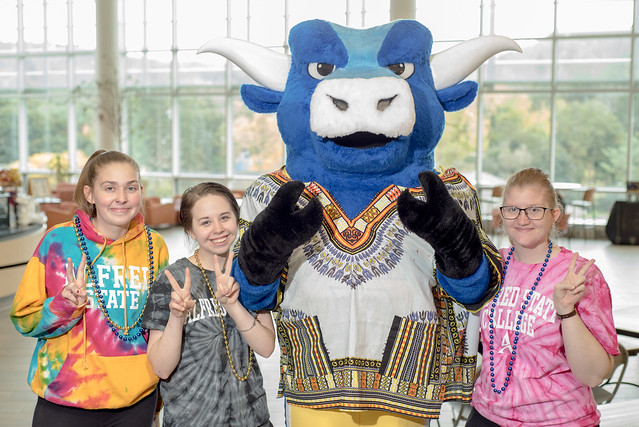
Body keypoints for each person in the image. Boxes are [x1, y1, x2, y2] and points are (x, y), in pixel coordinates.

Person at [10, 150, 169, 426]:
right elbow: (24, 319)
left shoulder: (155, 246)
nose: (121, 197)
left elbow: (159, 327)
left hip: (137, 401)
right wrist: (63, 306)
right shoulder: (58, 242)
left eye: (131, 188)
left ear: (140, 192)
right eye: (110, 188)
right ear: (90, 194)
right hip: (66, 400)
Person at [467, 168, 619, 426]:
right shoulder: (491, 265)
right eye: (512, 209)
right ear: (501, 215)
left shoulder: (581, 274)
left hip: (557, 419)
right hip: (486, 415)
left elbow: (594, 375)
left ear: (554, 216)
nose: (522, 220)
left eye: (534, 210)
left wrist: (567, 312)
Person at [142, 182, 275, 427]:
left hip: (252, 418)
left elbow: (266, 347)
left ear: (236, 218)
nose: (218, 229)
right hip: (191, 420)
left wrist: (234, 305)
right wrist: (176, 316)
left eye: (224, 217)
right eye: (205, 222)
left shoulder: (251, 270)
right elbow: (161, 368)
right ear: (190, 230)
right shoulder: (173, 279)